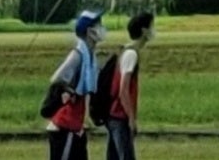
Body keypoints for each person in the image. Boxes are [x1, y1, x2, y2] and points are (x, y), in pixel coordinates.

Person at [46, 9, 106, 160]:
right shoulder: (78, 56)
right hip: (64, 126)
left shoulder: (91, 56)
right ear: (90, 31)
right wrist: (69, 91)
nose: (102, 28)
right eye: (99, 25)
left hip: (75, 126)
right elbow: (56, 79)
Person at [103, 12, 150, 160]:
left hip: (114, 116)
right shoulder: (131, 55)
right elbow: (123, 90)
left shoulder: (125, 51)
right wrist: (131, 118)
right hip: (119, 116)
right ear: (144, 30)